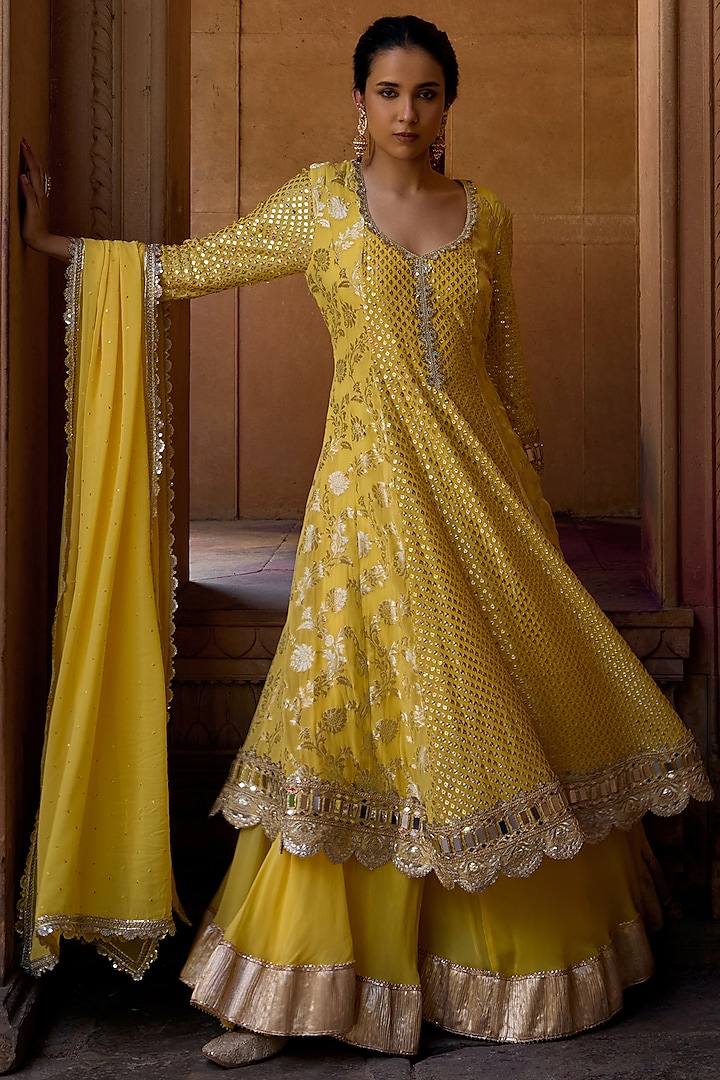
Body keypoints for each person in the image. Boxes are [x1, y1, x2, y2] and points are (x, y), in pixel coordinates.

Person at [20, 14, 713, 1071]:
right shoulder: (319, 205)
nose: (408, 111)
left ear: (448, 103)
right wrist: (50, 245)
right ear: (360, 102)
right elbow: (183, 270)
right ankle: (288, 988)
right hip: (366, 508)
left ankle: (490, 972)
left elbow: (511, 380)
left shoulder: (488, 218)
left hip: (478, 504)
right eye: (389, 92)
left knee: (484, 717)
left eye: (428, 92)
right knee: (332, 720)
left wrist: (526, 513)